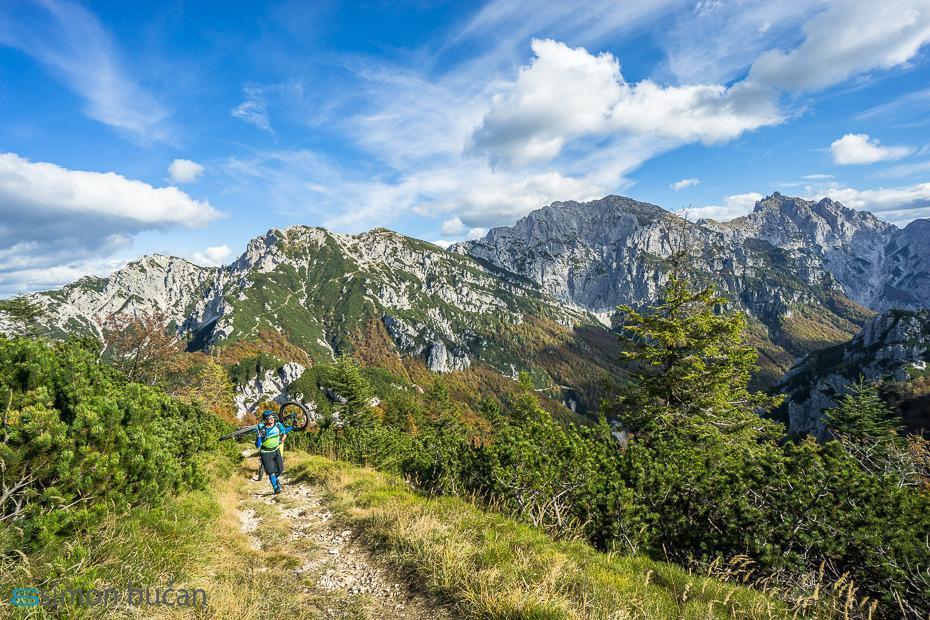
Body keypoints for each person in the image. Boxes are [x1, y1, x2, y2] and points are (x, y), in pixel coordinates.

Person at [255, 409, 292, 494]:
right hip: (266, 453)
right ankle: (275, 487)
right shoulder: (262, 429)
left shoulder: (278, 425)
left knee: (280, 469)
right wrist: (259, 437)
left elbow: (285, 431)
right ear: (265, 420)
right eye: (269, 418)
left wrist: (293, 426)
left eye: (272, 417)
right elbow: (257, 446)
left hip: (276, 450)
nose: (271, 419)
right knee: (271, 472)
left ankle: (276, 479)